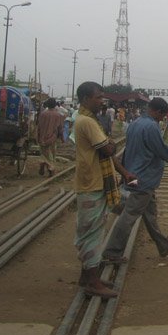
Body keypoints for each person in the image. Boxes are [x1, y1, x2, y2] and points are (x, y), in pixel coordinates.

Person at [103, 97, 168, 263]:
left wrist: (125, 173)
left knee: (150, 213)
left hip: (134, 176)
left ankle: (163, 244)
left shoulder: (135, 124)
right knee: (129, 214)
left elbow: (127, 150)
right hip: (143, 179)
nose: (162, 119)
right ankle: (112, 250)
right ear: (158, 112)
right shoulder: (151, 127)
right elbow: (163, 151)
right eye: (162, 115)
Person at [72, 82, 135, 300]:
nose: (102, 101)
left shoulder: (87, 120)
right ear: (86, 99)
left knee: (93, 231)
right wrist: (111, 143)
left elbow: (106, 152)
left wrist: (124, 173)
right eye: (99, 97)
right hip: (91, 184)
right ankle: (92, 282)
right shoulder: (88, 122)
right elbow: (108, 149)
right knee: (92, 234)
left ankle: (87, 277)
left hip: (93, 181)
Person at [36, 97, 65, 176]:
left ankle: (42, 165)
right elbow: (60, 128)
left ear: (47, 105)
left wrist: (37, 137)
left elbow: (38, 126)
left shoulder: (42, 114)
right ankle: (51, 169)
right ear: (55, 105)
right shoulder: (58, 115)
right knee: (51, 154)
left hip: (42, 137)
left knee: (43, 153)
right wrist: (62, 138)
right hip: (52, 138)